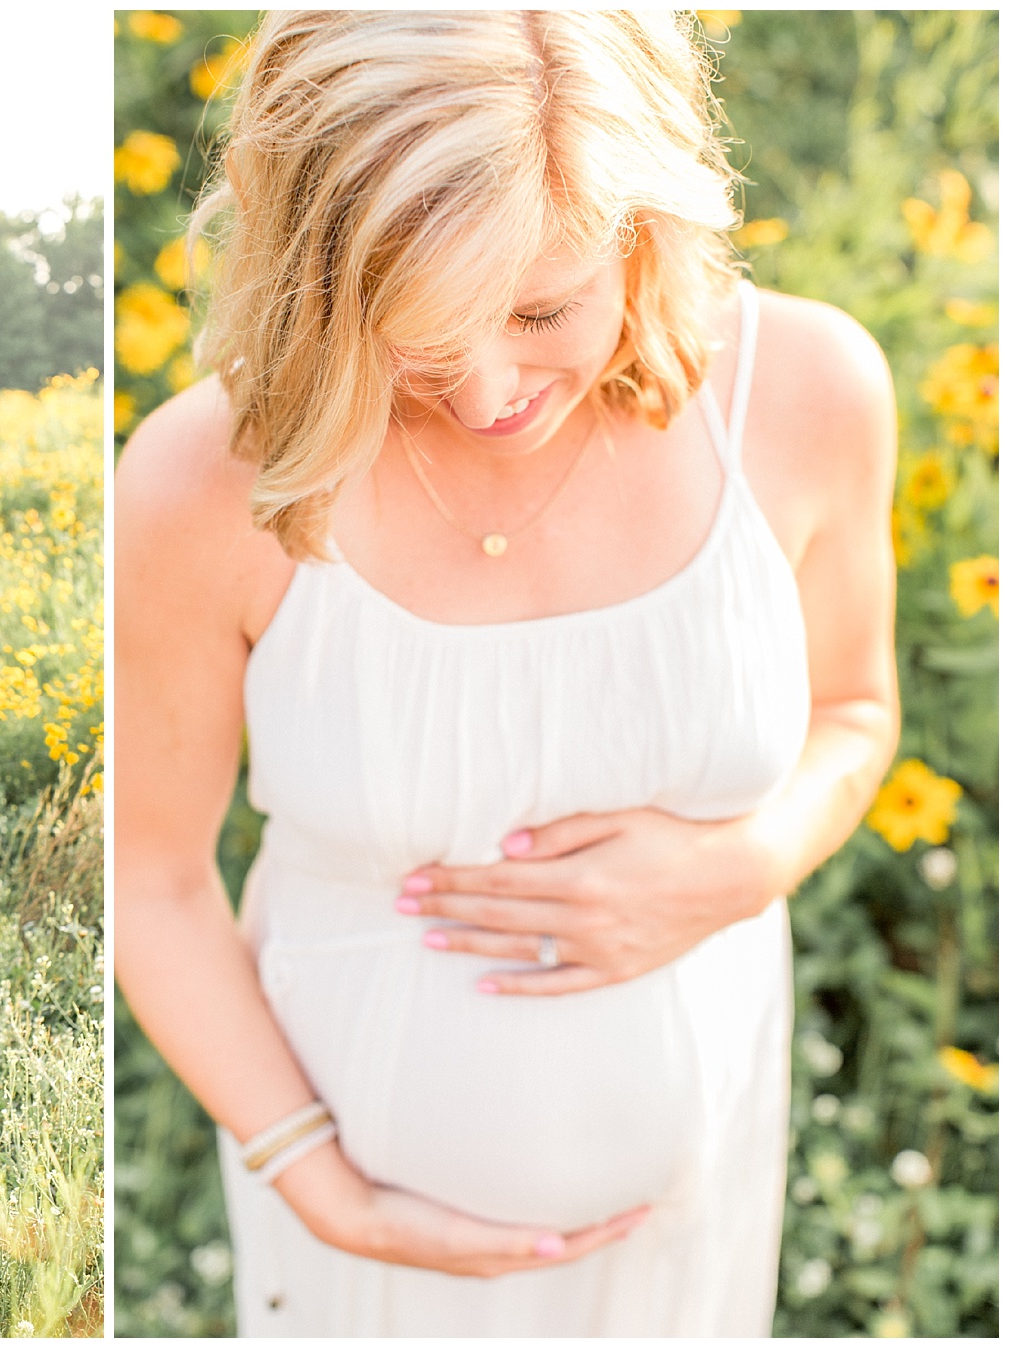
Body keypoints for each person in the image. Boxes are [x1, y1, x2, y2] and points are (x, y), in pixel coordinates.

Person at [115, 11, 899, 1337]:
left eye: (543, 309)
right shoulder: (207, 481)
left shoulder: (806, 390)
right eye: (412, 327)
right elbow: (153, 878)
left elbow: (856, 711)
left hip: (692, 1204)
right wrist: (316, 1180)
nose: (486, 392)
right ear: (315, 274)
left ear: (643, 229)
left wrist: (746, 864)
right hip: (357, 1226)